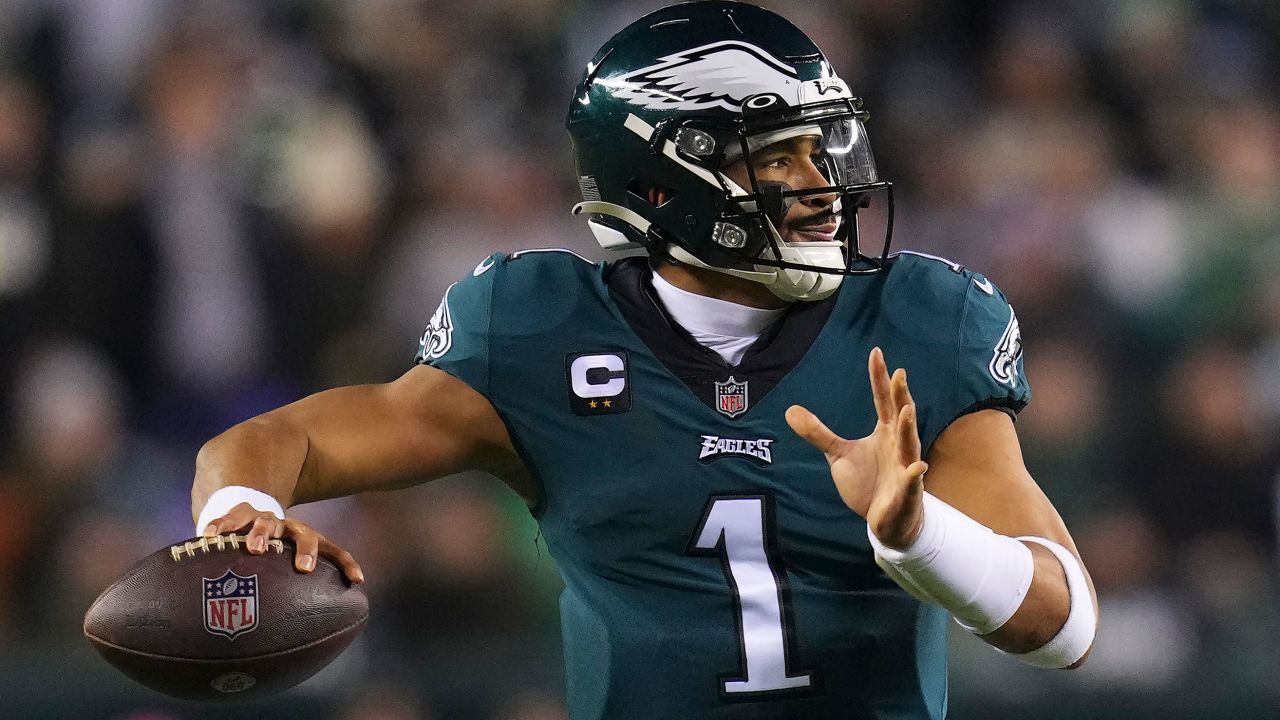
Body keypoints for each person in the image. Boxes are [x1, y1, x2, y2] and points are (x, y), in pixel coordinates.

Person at [192, 2, 1098, 718]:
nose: (823, 185)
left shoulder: (920, 324)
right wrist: (245, 515)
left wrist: (920, 538)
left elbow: (1066, 625)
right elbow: (279, 442)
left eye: (820, 149)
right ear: (659, 187)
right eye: (775, 160)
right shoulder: (535, 333)